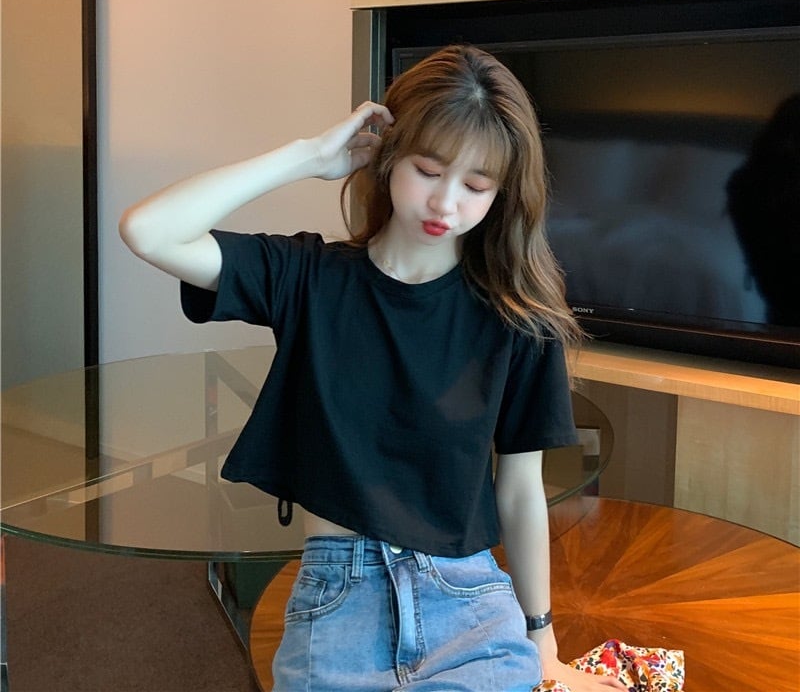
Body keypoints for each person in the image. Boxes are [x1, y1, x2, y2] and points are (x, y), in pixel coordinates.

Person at [120, 45, 626, 692]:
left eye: (476, 187)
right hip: (338, 605)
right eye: (428, 170)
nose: (445, 204)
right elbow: (148, 230)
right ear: (389, 156)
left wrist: (543, 643)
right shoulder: (309, 278)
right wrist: (309, 157)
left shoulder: (519, 318)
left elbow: (520, 491)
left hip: (466, 602)